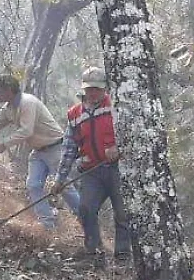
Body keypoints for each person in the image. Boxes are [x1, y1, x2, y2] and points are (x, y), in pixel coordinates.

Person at [0, 73, 81, 230]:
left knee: (64, 186)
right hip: (38, 152)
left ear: (9, 90)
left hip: (54, 148)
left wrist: (4, 144)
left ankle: (86, 218)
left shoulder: (28, 102)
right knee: (33, 185)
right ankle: (48, 224)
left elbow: (26, 130)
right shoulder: (8, 109)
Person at [47, 66, 131, 261]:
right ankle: (93, 251)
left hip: (117, 169)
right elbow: (69, 149)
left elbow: (131, 134)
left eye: (97, 89)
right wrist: (60, 179)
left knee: (122, 213)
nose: (93, 93)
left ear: (105, 88)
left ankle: (123, 256)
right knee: (86, 209)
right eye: (89, 89)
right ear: (84, 89)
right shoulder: (75, 114)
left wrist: (119, 147)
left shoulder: (117, 106)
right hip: (91, 172)